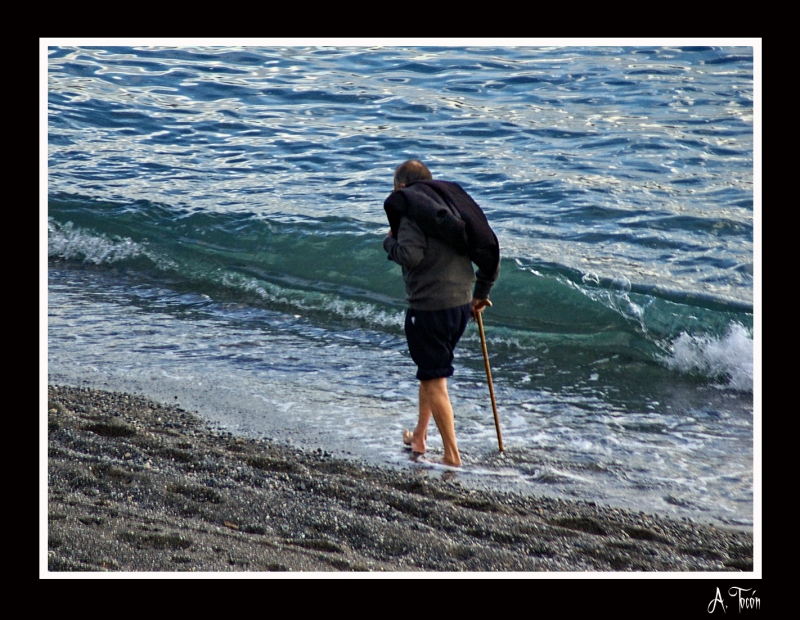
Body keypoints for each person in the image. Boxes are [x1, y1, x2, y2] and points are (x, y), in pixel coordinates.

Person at [383, 160, 500, 467]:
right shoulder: (450, 211)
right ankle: (420, 437)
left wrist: (389, 241)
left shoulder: (411, 214)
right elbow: (488, 249)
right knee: (430, 371)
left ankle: (452, 455)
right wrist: (481, 295)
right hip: (461, 303)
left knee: (435, 381)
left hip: (429, 308)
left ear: (402, 188)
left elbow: (410, 255)